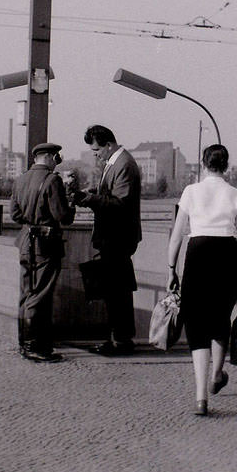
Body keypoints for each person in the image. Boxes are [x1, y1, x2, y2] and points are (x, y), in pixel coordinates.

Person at [167, 144, 237, 416]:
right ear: (226, 166)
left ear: (203, 164)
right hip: (228, 256)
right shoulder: (236, 195)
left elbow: (178, 234)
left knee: (197, 326)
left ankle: (201, 397)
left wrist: (171, 268)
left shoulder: (191, 192)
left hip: (199, 254)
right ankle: (217, 373)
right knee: (220, 318)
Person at [71, 125, 142, 355]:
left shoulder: (124, 165)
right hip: (114, 236)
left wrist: (89, 199)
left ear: (108, 145)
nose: (95, 154)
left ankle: (120, 341)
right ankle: (118, 339)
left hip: (117, 236)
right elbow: (110, 194)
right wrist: (90, 193)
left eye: (96, 150)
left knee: (117, 291)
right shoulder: (117, 163)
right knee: (115, 290)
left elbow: (119, 204)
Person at [10, 142, 75, 362]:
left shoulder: (20, 180)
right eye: (56, 158)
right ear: (49, 157)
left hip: (26, 241)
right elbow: (63, 216)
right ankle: (34, 346)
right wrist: (70, 200)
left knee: (26, 292)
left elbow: (15, 215)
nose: (57, 162)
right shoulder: (52, 180)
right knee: (40, 294)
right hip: (46, 245)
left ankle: (25, 342)